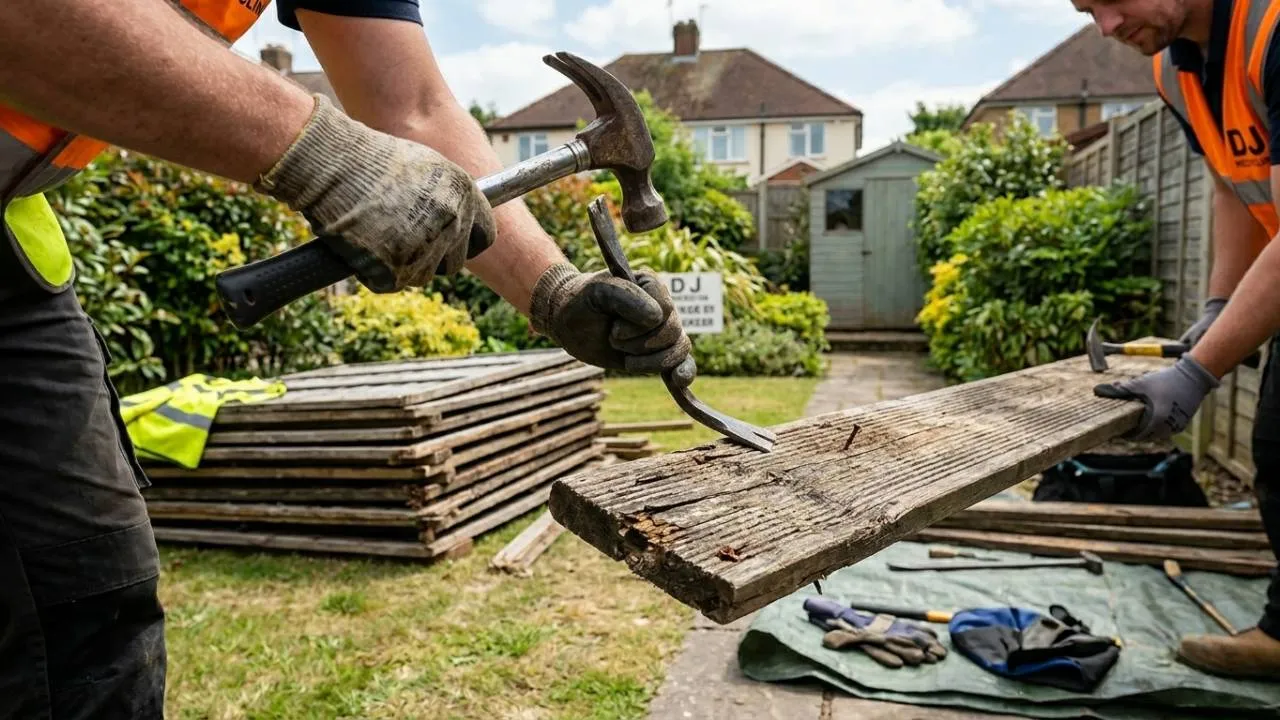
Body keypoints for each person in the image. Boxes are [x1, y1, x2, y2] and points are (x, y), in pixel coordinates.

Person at [0, 1, 692, 717]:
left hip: (12, 265)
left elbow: (413, 106)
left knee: (82, 608)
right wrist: (318, 151)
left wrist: (555, 291)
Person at [1076, 0, 1280, 680]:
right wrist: (1222, 302)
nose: (1105, 27)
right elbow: (1232, 185)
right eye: (1085, 11)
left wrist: (1197, 373)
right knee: (1279, 449)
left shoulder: (1275, 28)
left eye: (1110, 0)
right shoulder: (1176, 71)